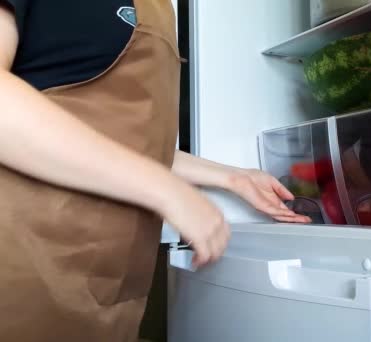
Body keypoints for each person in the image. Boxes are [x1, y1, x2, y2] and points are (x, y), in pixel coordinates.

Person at [0, 0, 310, 341]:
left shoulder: (159, 9)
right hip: (21, 273)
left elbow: (124, 138)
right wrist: (165, 190)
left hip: (106, 290)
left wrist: (231, 178)